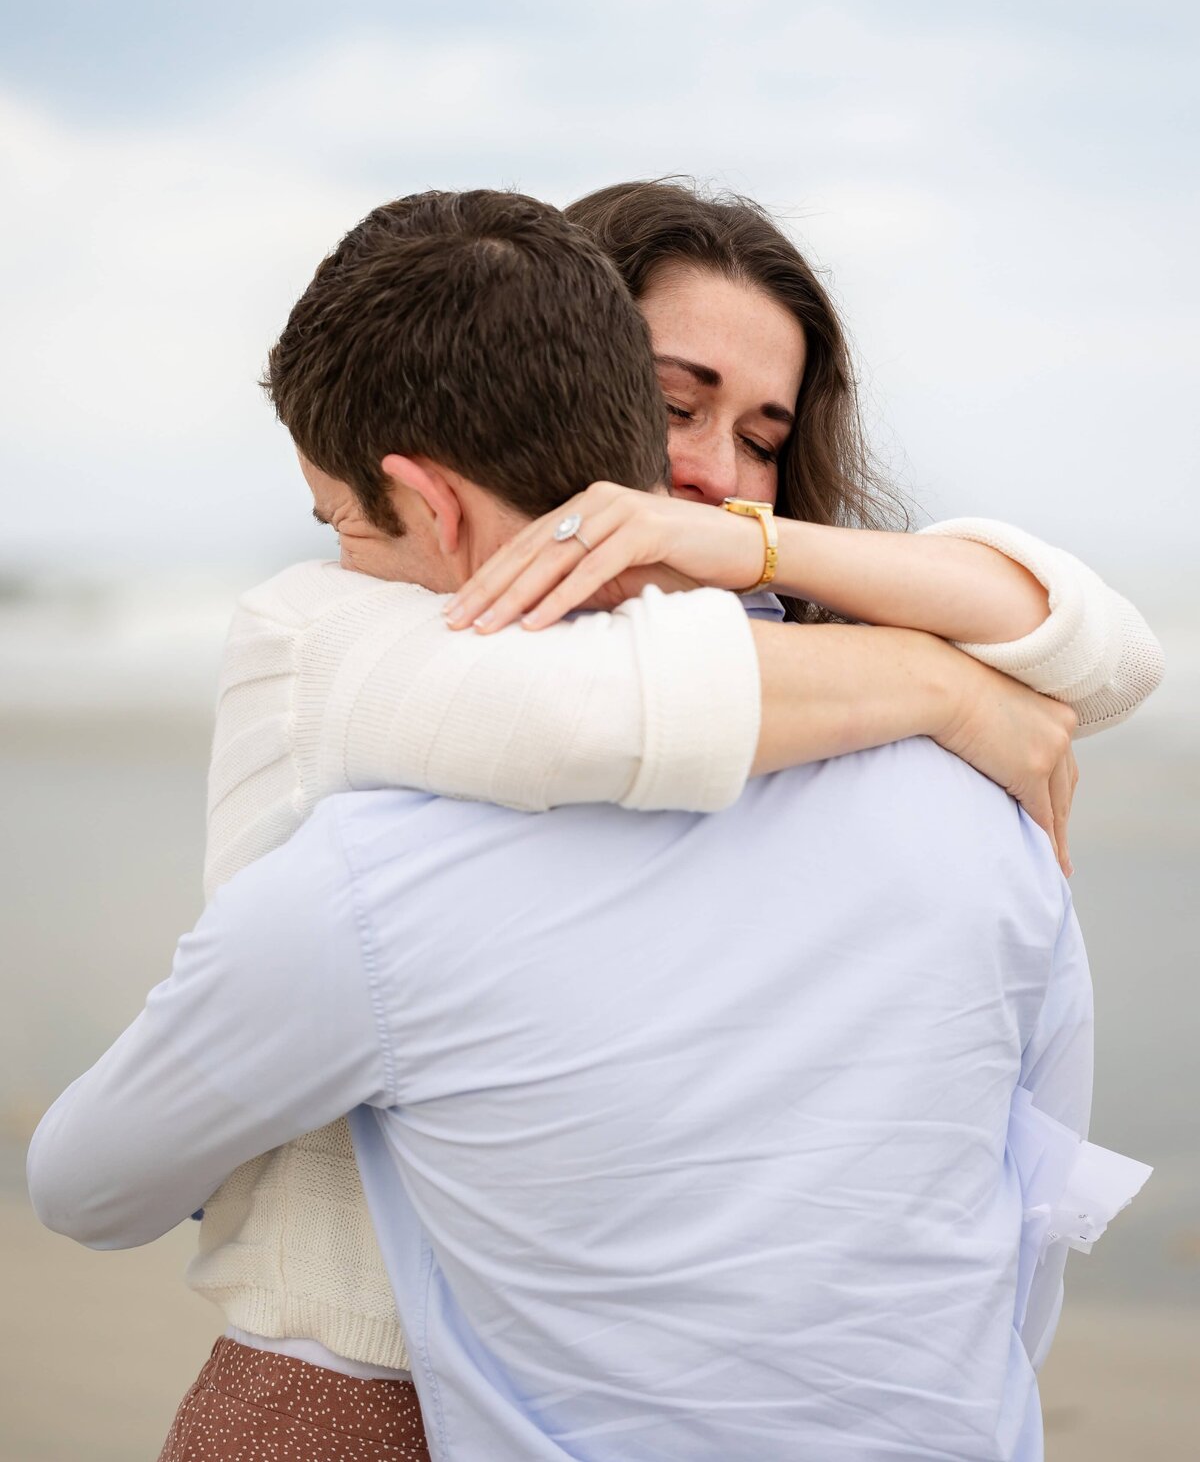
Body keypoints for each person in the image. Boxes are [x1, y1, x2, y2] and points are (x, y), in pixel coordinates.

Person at [28, 190, 1152, 1460]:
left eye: (764, 438)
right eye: (675, 407)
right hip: (358, 1356)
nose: (716, 472)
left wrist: (742, 550)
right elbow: (608, 700)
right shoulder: (351, 640)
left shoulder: (789, 672)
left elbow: (1109, 650)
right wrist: (947, 686)